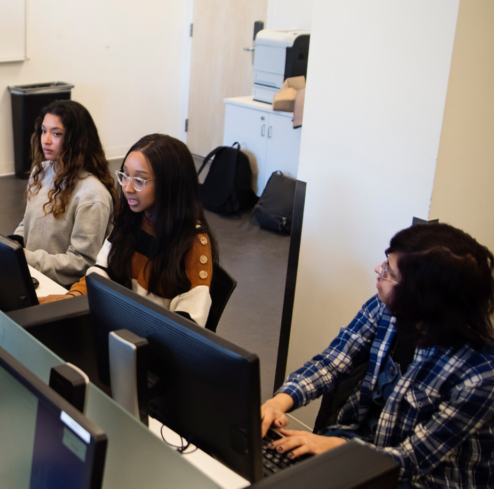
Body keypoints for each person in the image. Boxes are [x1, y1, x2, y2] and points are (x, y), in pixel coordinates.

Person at [261, 223, 494, 488]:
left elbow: (410, 461)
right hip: (361, 444)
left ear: (422, 298)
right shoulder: (386, 307)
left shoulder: (480, 375)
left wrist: (332, 447)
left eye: (389, 272)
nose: (378, 270)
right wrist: (279, 401)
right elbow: (332, 362)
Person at [41, 134, 218, 328]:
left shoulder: (193, 241)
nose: (127, 188)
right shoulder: (132, 218)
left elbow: (187, 326)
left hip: (151, 344)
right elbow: (101, 273)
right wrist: (72, 299)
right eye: (124, 175)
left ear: (170, 185)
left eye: (140, 181)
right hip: (118, 324)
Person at [11, 100, 115, 286]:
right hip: (32, 275)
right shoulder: (40, 171)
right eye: (44, 131)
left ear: (77, 140)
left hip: (61, 290)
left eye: (56, 133)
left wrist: (27, 258)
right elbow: (30, 219)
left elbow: (83, 263)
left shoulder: (92, 195)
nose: (46, 140)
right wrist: (16, 241)